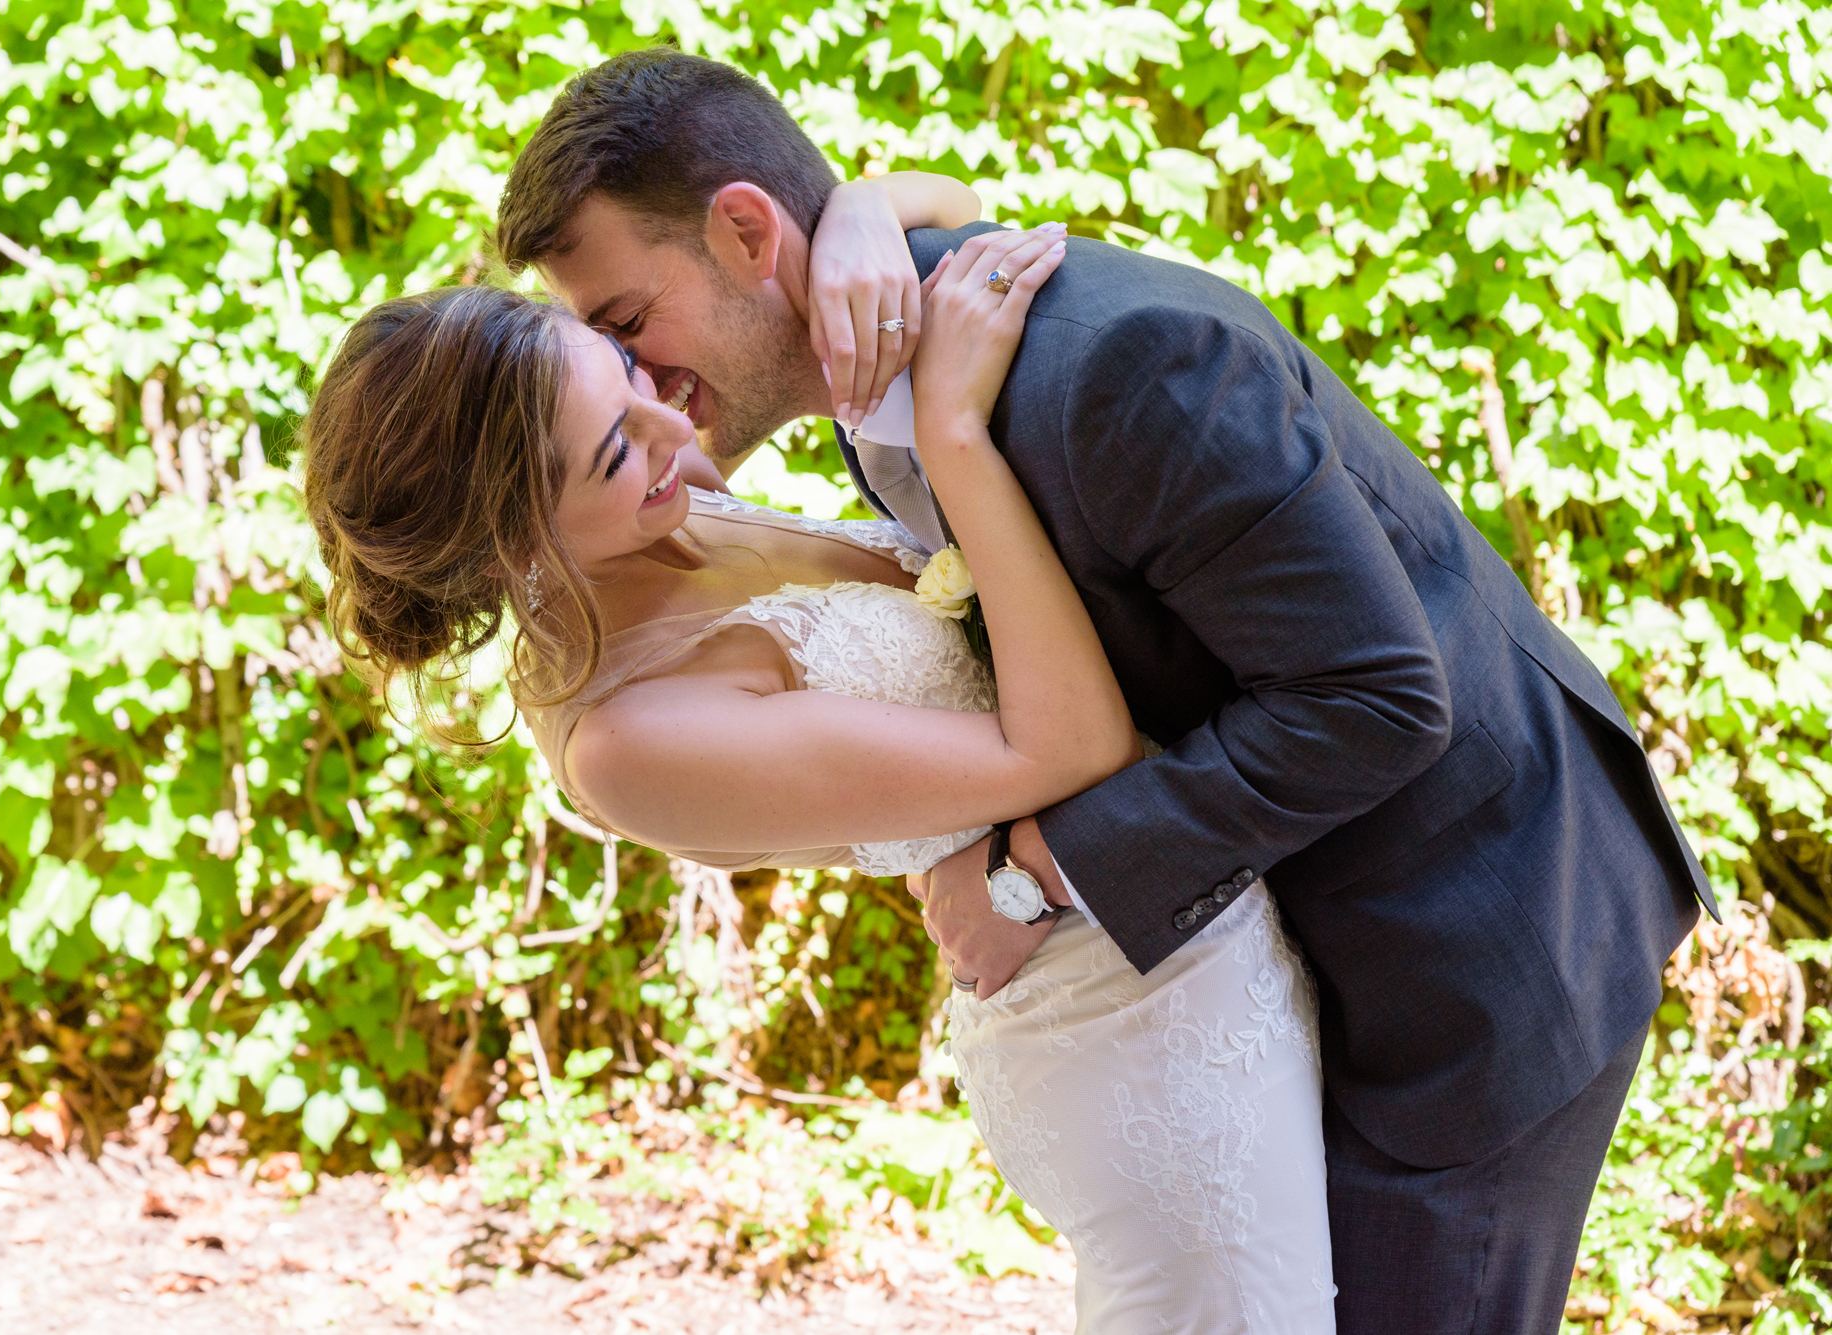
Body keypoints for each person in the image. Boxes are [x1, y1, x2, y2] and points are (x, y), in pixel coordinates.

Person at [488, 48, 1718, 1335]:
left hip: (1467, 938)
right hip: (1271, 966)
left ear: (747, 232)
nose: (642, 387)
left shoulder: (1121, 370)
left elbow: (1376, 698)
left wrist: (1032, 872)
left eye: (626, 325)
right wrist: (874, 204)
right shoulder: (874, 389)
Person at [304, 179, 1338, 1328]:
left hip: (1192, 936)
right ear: (509, 543)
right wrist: (951, 435)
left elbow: (918, 221)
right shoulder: (625, 738)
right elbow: (1074, 745)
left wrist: (855, 211)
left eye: (631, 375)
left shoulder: (656, 507)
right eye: (610, 450)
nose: (670, 426)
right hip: (1129, 1029)